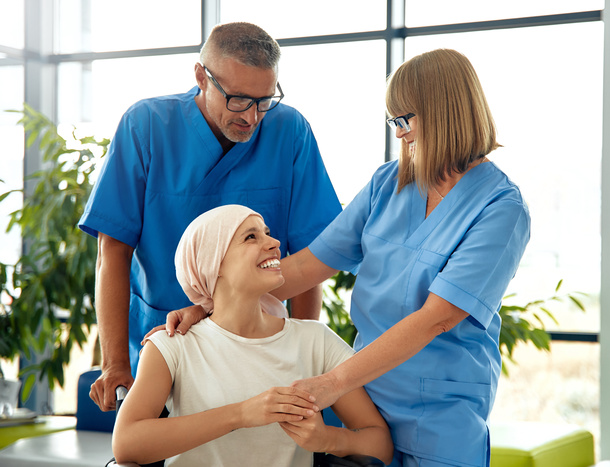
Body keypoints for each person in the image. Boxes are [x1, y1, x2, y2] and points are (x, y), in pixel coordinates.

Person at [161, 48, 531, 466]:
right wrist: (212, 303)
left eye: (404, 120)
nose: (399, 134)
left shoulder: (501, 209)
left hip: (438, 417)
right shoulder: (388, 183)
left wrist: (333, 383)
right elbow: (306, 266)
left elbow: (438, 317)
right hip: (364, 403)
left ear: (443, 113)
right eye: (393, 121)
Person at [78, 22, 341, 412]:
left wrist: (300, 356)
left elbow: (310, 255)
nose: (252, 117)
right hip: (165, 343)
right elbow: (113, 250)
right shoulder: (146, 126)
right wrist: (115, 361)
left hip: (259, 350)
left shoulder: (290, 131)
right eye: (238, 99)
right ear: (201, 76)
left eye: (264, 100)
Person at [112, 205, 393, 466]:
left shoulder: (316, 341)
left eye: (268, 234)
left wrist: (329, 440)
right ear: (213, 264)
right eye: (250, 237)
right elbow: (126, 443)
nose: (274, 243)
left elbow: (380, 443)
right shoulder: (171, 346)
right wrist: (243, 414)